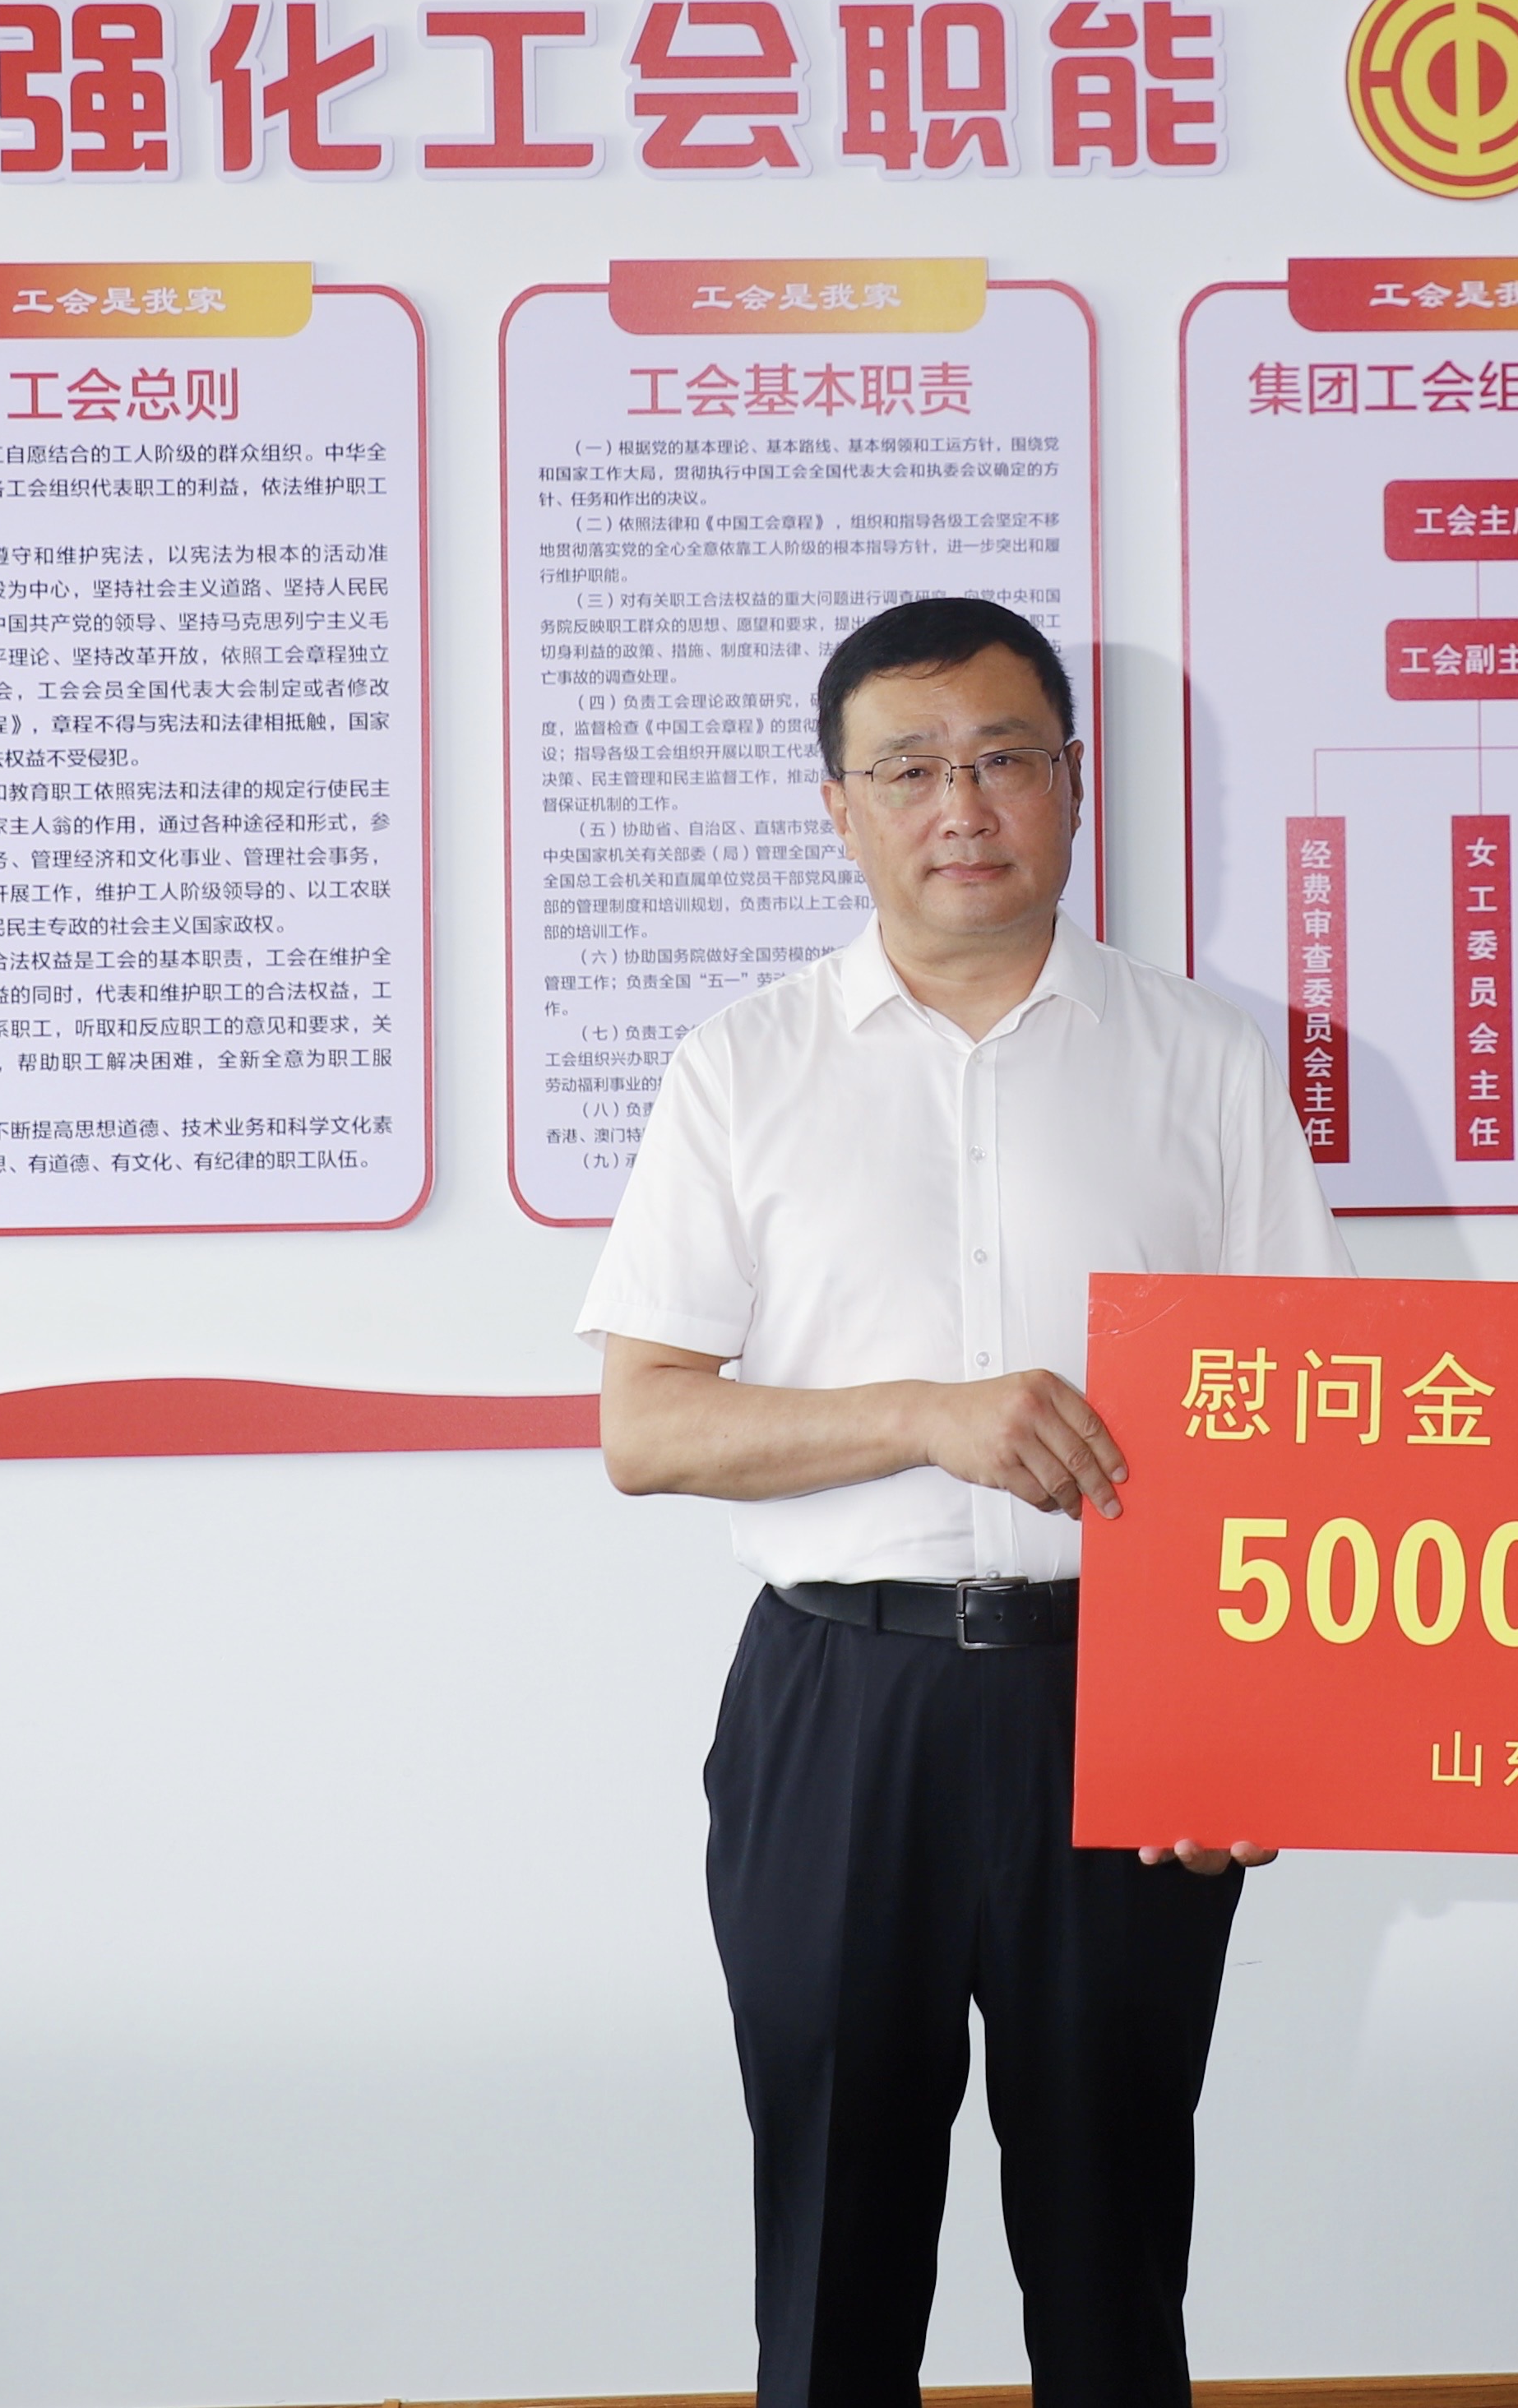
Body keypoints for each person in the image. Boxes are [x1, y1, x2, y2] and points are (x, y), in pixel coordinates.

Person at [583, 595, 1346, 2408]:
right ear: (838, 806)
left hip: (1129, 1702)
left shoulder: (1202, 1059)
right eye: (908, 768)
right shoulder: (744, 1066)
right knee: (834, 2251)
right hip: (839, 1704)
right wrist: (924, 1414)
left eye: (1004, 758)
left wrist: (1255, 1733)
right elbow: (648, 1427)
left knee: (1111, 2250)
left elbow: (1307, 1420)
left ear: (1073, 783)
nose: (961, 804)